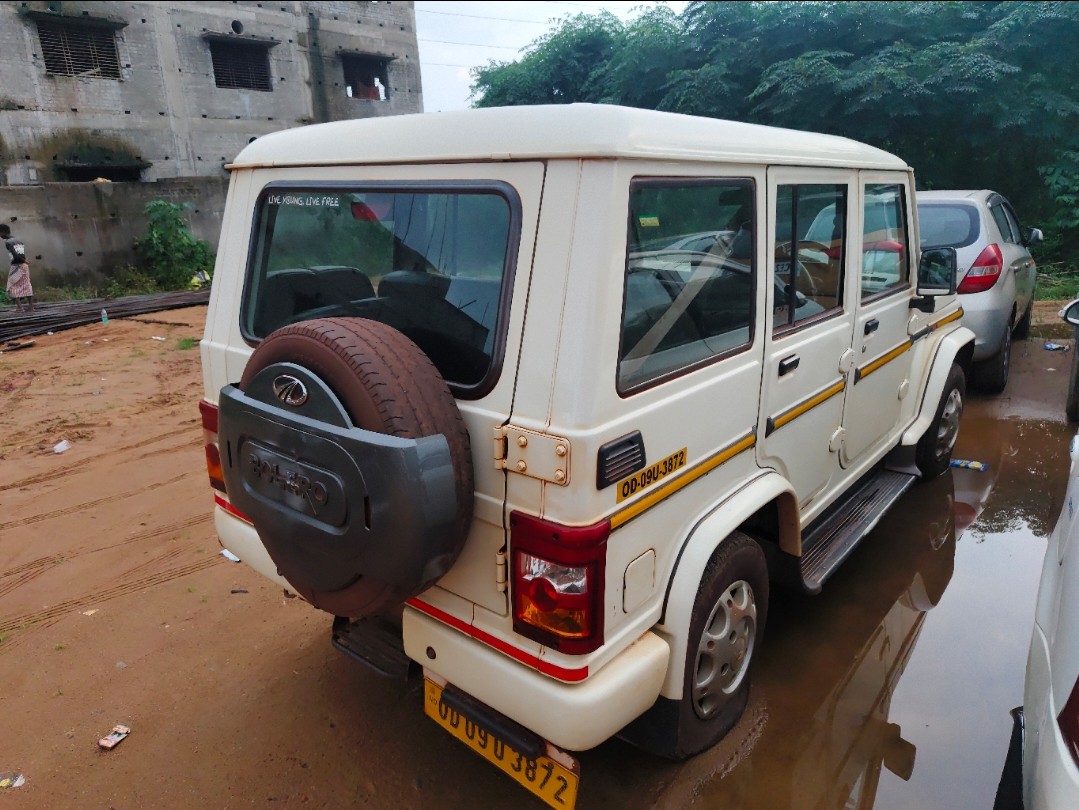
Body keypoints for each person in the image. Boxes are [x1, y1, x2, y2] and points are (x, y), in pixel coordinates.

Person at [1, 223, 33, 312]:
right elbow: (21, 254)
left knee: (12, 285)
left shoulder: (8, 242)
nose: (0, 236)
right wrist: (25, 261)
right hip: (24, 266)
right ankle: (31, 307)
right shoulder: (18, 240)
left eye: (0, 234)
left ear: (3, 232)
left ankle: (20, 308)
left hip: (17, 265)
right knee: (26, 284)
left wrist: (24, 261)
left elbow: (15, 255)